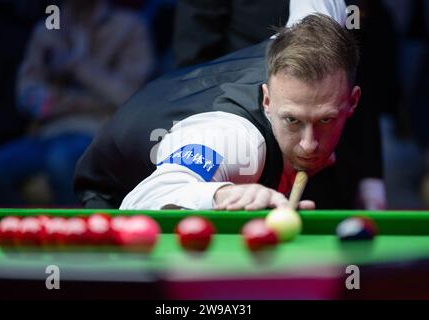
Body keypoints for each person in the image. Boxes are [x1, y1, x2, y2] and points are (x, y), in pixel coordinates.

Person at [74, 7, 370, 211]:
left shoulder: (317, 32)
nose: (309, 144)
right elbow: (145, 197)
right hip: (115, 188)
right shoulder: (236, 142)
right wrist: (223, 193)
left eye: (326, 119)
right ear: (267, 101)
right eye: (292, 120)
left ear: (353, 102)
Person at [0, 0, 154, 206]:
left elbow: (129, 95)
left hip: (97, 132)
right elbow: (27, 94)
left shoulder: (129, 26)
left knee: (61, 161)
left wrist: (77, 66)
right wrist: (85, 101)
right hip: (46, 133)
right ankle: (24, 232)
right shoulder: (49, 28)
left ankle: (76, 235)